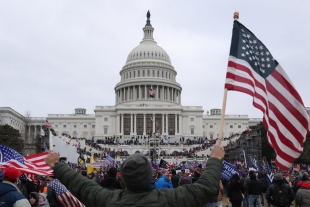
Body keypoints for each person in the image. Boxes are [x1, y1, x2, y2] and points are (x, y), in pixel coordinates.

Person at [44, 140, 225, 207]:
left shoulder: (107, 200)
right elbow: (206, 187)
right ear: (149, 176)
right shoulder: (171, 199)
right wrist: (215, 159)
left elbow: (82, 185)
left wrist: (58, 166)